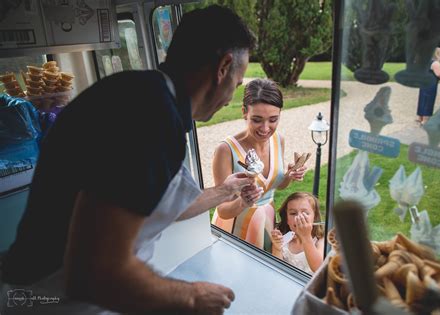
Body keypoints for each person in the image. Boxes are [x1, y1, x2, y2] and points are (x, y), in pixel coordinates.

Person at [0, 6, 259, 315]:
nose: (231, 97)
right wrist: (192, 297)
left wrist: (224, 190)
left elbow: (157, 199)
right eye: (237, 82)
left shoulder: (152, 98)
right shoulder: (149, 115)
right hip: (48, 301)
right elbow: (93, 274)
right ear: (223, 67)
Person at [212, 79, 307, 250]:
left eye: (273, 120)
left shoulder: (279, 140)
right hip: (235, 227)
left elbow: (277, 186)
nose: (265, 128)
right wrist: (243, 201)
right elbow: (222, 210)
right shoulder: (225, 150)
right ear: (244, 112)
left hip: (266, 221)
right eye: (257, 119)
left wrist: (289, 176)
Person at [270, 192, 325, 274]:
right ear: (287, 219)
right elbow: (275, 269)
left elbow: (319, 269)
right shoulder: (283, 238)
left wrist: (306, 237)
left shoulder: (320, 240)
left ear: (314, 217)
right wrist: (277, 248)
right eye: (293, 213)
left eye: (305, 213)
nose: (298, 217)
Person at [416, 47, 440, 126]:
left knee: (422, 99)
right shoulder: (435, 63)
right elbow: (438, 74)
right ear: (437, 54)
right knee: (429, 100)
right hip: (431, 83)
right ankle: (425, 120)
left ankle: (420, 117)